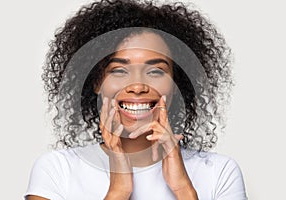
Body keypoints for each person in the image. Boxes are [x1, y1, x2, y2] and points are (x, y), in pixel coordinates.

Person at [25, 0, 247, 199]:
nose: (138, 86)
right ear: (96, 82)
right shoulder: (57, 170)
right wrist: (119, 190)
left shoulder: (219, 172)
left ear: (176, 85)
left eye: (156, 71)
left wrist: (183, 189)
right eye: (119, 70)